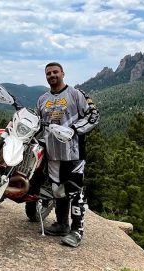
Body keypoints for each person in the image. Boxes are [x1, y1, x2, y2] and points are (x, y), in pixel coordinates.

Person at [36, 62, 99, 247]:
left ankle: (77, 231)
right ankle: (62, 224)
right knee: (57, 190)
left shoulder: (76, 94)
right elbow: (38, 123)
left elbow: (94, 115)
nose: (52, 75)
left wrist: (74, 129)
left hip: (74, 153)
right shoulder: (42, 99)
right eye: (48, 73)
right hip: (52, 153)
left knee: (75, 192)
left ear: (63, 73)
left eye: (55, 72)